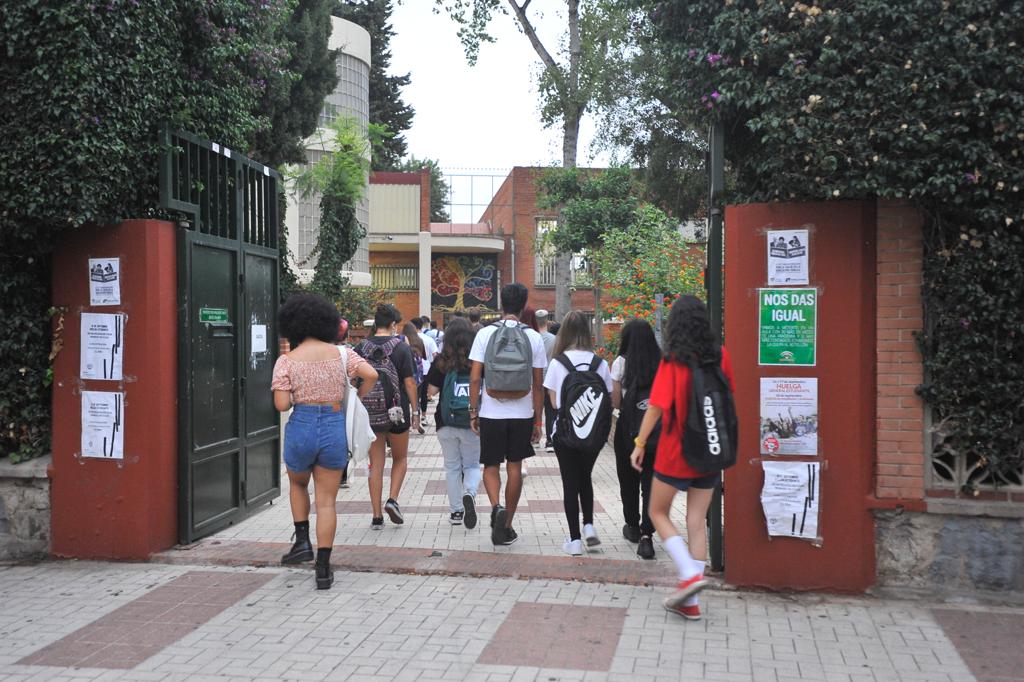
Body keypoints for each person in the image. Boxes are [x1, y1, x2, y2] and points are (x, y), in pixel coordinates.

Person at [630, 295, 735, 620]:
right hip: (710, 449)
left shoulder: (673, 360)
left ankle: (689, 575)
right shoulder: (721, 355)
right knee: (696, 522)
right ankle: (691, 601)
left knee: (657, 511)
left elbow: (657, 406)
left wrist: (639, 442)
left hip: (677, 449)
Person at [272, 293, 378, 589]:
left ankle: (302, 541)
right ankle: (323, 567)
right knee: (327, 501)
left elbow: (281, 405)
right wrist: (355, 397)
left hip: (301, 425)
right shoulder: (342, 354)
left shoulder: (286, 361)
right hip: (333, 425)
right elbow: (371, 374)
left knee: (296, 484)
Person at [468, 283, 547, 545]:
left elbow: (475, 378)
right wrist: (538, 420)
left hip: (491, 411)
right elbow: (538, 384)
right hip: (522, 413)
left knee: (490, 464)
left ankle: (494, 506)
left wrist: (473, 412)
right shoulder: (533, 337)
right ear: (524, 306)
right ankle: (508, 524)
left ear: (501, 304)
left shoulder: (485, 334)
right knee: (515, 467)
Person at [543, 311, 613, 556]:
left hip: (565, 433)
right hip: (594, 435)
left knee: (570, 484)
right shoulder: (600, 363)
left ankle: (574, 540)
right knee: (585, 478)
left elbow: (553, 403)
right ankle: (590, 526)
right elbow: (609, 398)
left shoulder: (558, 363)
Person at [356, 304, 420, 530]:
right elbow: (410, 383)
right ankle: (392, 500)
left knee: (376, 465)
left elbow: (354, 381)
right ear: (393, 324)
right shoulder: (401, 348)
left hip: (370, 413)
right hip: (397, 412)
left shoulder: (360, 347)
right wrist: (416, 410)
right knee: (400, 458)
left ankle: (376, 517)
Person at [611, 319, 661, 559]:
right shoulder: (661, 363)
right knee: (650, 483)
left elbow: (616, 402)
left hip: (627, 429)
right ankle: (647, 535)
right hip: (656, 431)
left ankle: (631, 525)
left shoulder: (620, 363)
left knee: (627, 479)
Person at [426, 318, 481, 527]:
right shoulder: (477, 361)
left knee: (452, 467)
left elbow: (431, 391)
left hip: (446, 422)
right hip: (472, 422)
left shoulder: (441, 361)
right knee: (472, 464)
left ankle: (457, 512)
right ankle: (470, 493)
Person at [535, 310, 557, 452]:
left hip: (535, 378)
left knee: (534, 409)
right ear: (546, 320)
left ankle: (533, 438)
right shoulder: (554, 339)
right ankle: (550, 440)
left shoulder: (532, 337)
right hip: (550, 378)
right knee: (550, 411)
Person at [412, 317, 439, 425]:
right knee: (424, 394)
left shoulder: (409, 339)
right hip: (426, 369)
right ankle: (423, 416)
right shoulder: (428, 339)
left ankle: (414, 416)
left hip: (413, 370)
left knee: (413, 394)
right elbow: (435, 355)